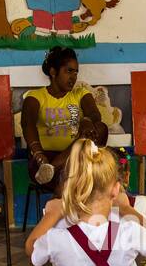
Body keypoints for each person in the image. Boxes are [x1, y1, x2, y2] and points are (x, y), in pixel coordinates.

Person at [21, 47, 108, 193]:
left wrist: (86, 120)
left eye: (76, 72)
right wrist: (39, 155)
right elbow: (27, 125)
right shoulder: (35, 97)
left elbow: (94, 114)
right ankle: (55, 173)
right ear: (53, 72)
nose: (74, 77)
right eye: (69, 71)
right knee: (72, 176)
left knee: (100, 128)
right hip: (44, 159)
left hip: (77, 158)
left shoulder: (80, 93)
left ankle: (54, 169)